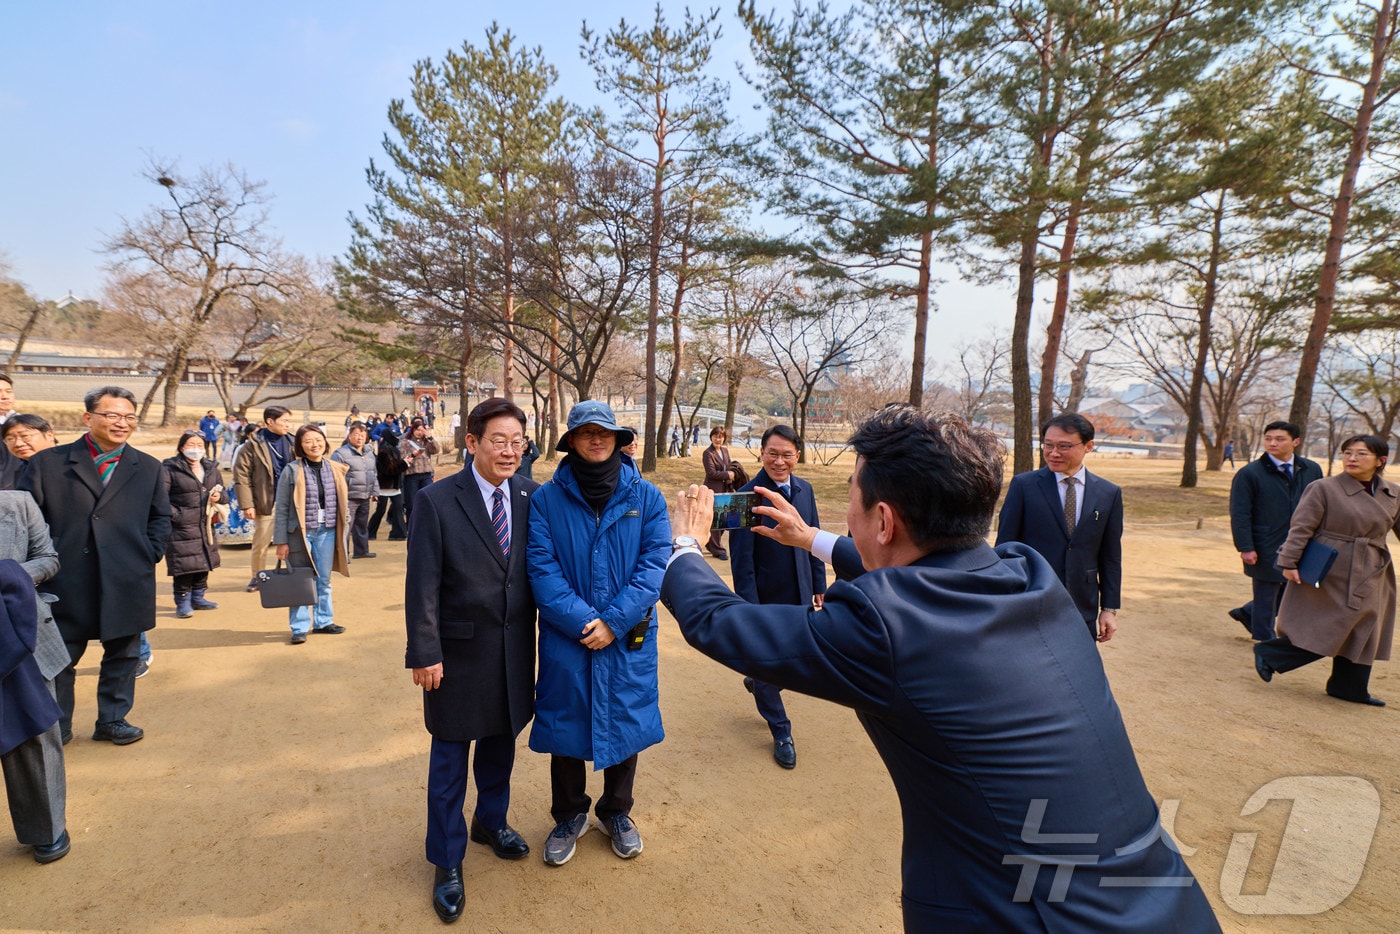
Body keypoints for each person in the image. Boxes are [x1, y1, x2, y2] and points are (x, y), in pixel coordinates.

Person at [661, 406, 1220, 932]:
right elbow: (923, 576)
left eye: (852, 499)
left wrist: (685, 542)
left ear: (883, 519)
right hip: (1164, 900)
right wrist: (812, 538)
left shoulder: (881, 628)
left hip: (1026, 917)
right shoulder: (1026, 572)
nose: (847, 513)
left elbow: (719, 623)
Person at [406, 398, 539, 923]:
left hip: (511, 652)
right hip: (456, 656)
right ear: (472, 442)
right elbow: (422, 585)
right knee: (449, 763)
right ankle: (446, 859)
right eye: (498, 441)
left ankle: (491, 821)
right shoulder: (438, 501)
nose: (509, 451)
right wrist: (425, 651)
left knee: (500, 747)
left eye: (517, 442)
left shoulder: (533, 495)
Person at [526, 401, 670, 867]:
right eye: (585, 433)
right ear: (570, 441)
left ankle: (616, 812)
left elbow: (653, 566)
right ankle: (568, 814)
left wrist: (615, 621)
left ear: (617, 439)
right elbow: (541, 569)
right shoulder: (547, 499)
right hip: (569, 637)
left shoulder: (646, 497)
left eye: (603, 432)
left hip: (627, 636)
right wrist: (585, 622)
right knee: (566, 727)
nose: (595, 440)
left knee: (624, 723)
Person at [21, 386, 171, 746]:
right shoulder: (50, 463)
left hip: (127, 575)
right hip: (67, 576)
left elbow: (160, 517)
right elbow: (29, 519)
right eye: (113, 415)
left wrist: (149, 552)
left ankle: (113, 719)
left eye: (130, 417)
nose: (123, 423)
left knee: (123, 653)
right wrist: (43, 563)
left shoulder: (147, 467)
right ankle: (58, 724)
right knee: (60, 658)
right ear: (88, 418)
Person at [1254, 435, 1400, 706]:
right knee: (1340, 622)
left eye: (1361, 454)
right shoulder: (1323, 488)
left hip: (1374, 568)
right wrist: (1288, 562)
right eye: (1347, 453)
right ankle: (1272, 653)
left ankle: (1349, 687)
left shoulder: (1393, 493)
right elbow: (1301, 527)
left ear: (1381, 461)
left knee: (1366, 625)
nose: (1352, 459)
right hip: (1331, 566)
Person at [728, 425, 823, 769]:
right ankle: (781, 731)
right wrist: (749, 608)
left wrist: (819, 589)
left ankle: (758, 680)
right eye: (773, 453)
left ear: (797, 455)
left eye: (787, 454)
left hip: (800, 596)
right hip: (764, 600)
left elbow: (813, 543)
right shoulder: (744, 496)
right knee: (767, 661)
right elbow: (741, 561)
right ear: (761, 453)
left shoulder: (806, 490)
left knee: (796, 663)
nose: (779, 461)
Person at [995, 413, 1123, 642]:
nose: (1053, 453)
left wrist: (1109, 608)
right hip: (1030, 600)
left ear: (1088, 446)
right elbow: (1005, 548)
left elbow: (1110, 556)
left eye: (1064, 446)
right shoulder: (1024, 486)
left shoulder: (1108, 493)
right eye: (1048, 445)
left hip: (1082, 606)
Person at [0, 490, 69, 863]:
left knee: (33, 735)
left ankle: (47, 828)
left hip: (21, 633)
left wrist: (9, 575)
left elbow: (48, 559)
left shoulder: (17, 503)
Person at [1228, 420, 1323, 641]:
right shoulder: (1249, 473)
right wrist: (1245, 546)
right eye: (1268, 438)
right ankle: (1265, 643)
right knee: (1266, 594)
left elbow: (1321, 505)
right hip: (1264, 543)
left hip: (1301, 542)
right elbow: (1240, 513)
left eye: (1280, 439)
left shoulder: (1311, 469)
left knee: (1293, 589)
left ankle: (1248, 613)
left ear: (1295, 442)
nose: (1272, 443)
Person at [273, 424, 350, 645]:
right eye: (308, 441)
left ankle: (324, 621)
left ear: (325, 442)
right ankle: (299, 627)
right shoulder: (292, 470)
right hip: (298, 534)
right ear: (300, 445)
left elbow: (344, 504)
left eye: (318, 439)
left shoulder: (335, 468)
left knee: (323, 580)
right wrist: (281, 541)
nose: (314, 444)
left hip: (327, 531)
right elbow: (282, 507)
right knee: (300, 580)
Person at [161, 431, 224, 620]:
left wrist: (219, 497)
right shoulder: (169, 469)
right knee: (184, 565)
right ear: (181, 447)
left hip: (205, 525)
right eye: (191, 445)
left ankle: (198, 597)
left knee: (204, 561)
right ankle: (182, 602)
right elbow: (160, 498)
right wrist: (177, 515)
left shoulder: (211, 468)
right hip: (181, 526)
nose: (195, 449)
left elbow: (224, 491)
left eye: (199, 445)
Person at [232, 405, 295, 592]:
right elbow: (241, 476)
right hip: (266, 500)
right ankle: (257, 577)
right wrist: (247, 504)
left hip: (291, 500)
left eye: (288, 421)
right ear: (270, 421)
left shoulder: (293, 442)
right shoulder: (252, 445)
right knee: (261, 542)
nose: (288, 425)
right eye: (284, 421)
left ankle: (294, 575)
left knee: (294, 541)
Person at [331, 421, 378, 559]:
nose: (359, 438)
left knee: (362, 525)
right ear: (349, 436)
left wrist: (374, 492)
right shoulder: (340, 454)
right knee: (346, 527)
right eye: (356, 435)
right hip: (348, 496)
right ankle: (342, 555)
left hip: (365, 495)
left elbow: (373, 473)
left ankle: (361, 550)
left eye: (362, 435)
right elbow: (335, 477)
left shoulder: (369, 453)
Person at [701, 426, 737, 559]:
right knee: (716, 519)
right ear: (711, 437)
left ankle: (711, 543)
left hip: (725, 490)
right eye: (715, 436)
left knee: (724, 520)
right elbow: (711, 473)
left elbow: (729, 466)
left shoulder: (725, 451)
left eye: (720, 437)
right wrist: (728, 474)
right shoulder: (707, 453)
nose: (718, 439)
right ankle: (717, 549)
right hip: (713, 490)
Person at [369, 429, 408, 542]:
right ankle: (370, 532)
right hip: (384, 486)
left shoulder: (394, 449)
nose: (396, 438)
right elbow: (388, 469)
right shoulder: (383, 451)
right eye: (394, 436)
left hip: (395, 486)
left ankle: (398, 533)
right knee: (380, 510)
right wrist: (405, 464)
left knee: (398, 509)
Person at [1, 414, 57, 490]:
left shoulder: (68, 465)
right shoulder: (22, 468)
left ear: (49, 435)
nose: (18, 444)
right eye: (10, 439)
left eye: (25, 436)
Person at [401, 419, 440, 525]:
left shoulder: (426, 442)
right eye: (417, 430)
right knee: (412, 503)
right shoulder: (405, 442)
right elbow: (401, 457)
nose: (419, 432)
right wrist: (413, 454)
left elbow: (436, 450)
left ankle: (427, 525)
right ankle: (411, 526)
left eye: (421, 430)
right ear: (413, 430)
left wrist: (430, 437)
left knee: (428, 500)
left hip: (426, 474)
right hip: (411, 475)